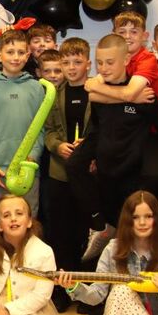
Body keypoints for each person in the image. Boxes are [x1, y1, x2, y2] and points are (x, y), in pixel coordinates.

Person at [71, 34, 158, 270]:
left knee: (130, 242)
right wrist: (89, 150)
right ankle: (99, 226)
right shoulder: (98, 90)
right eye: (100, 62)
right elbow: (98, 125)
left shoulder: (144, 94)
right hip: (106, 174)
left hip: (133, 177)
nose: (104, 68)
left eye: (110, 62)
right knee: (74, 166)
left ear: (126, 59)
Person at [0, 29, 48, 214]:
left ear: (28, 55)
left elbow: (42, 129)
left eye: (21, 53)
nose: (16, 57)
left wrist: (32, 158)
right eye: (10, 52)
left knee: (26, 222)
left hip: (27, 171)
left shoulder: (37, 88)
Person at [42, 37, 92, 278]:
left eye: (77, 62)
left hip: (89, 173)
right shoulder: (54, 93)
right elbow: (48, 130)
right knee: (60, 231)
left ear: (88, 64)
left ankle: (87, 285)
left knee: (86, 231)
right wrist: (58, 146)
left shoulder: (98, 91)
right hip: (60, 171)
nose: (71, 68)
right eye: (66, 62)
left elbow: (106, 128)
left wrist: (90, 145)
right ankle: (62, 286)